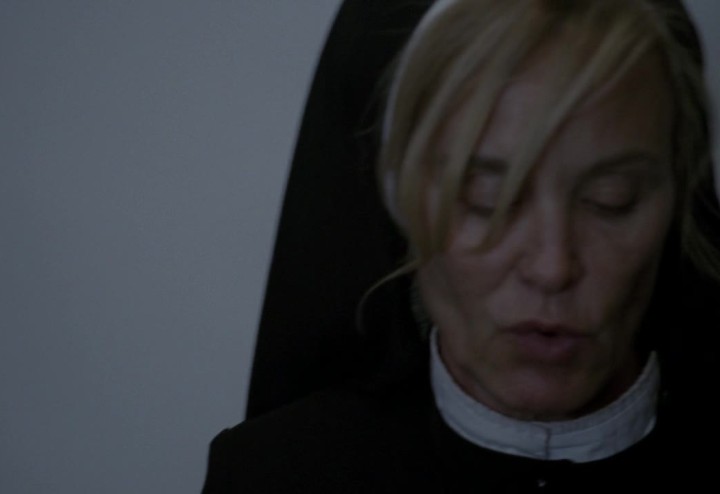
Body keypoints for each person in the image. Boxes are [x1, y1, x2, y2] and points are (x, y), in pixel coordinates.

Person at [204, 0, 720, 491]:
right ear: (401, 198)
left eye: (612, 199)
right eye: (487, 198)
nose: (552, 267)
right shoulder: (271, 478)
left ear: (675, 197)